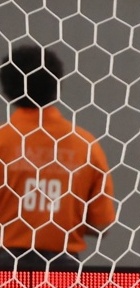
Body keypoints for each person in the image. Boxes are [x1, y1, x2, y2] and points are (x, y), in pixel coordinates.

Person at [0, 44, 115, 270]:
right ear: (56, 85)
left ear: (7, 90)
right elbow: (102, 224)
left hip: (5, 266)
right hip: (63, 269)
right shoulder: (85, 144)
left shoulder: (3, 141)